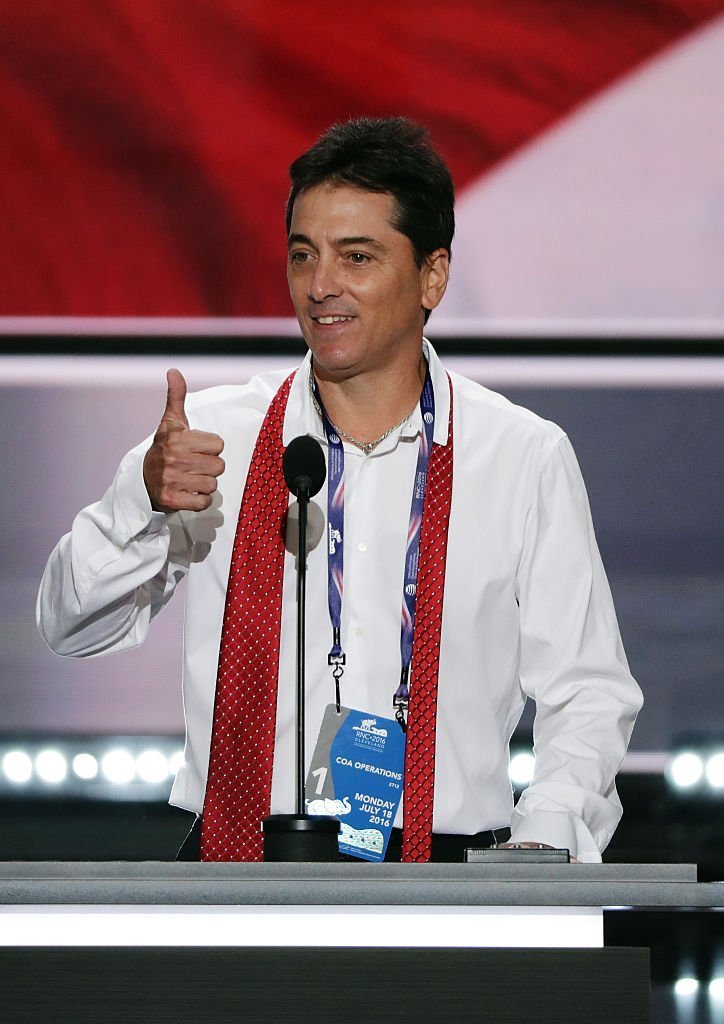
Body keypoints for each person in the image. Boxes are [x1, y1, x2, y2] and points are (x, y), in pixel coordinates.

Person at [37, 116, 642, 863]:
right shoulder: (212, 441)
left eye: (357, 257)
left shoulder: (519, 455)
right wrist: (140, 502)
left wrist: (546, 841)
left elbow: (588, 690)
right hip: (236, 872)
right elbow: (69, 626)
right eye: (303, 256)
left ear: (432, 275)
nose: (321, 286)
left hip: (450, 878)